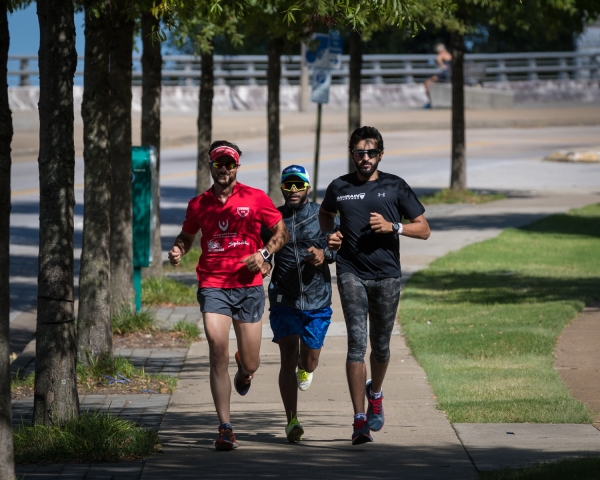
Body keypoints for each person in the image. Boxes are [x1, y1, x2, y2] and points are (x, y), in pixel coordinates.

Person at [168, 140, 289, 451]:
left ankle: (245, 370)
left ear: (238, 166)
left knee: (252, 362)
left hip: (248, 286)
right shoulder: (198, 204)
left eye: (229, 164)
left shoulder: (256, 198)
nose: (224, 169)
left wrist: (262, 254)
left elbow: (281, 233)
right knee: (216, 349)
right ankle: (225, 428)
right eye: (218, 164)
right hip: (213, 284)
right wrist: (179, 248)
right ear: (211, 166)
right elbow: (187, 234)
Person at [319, 126, 430, 445]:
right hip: (350, 271)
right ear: (351, 154)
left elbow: (423, 229)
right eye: (358, 152)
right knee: (356, 343)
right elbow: (325, 213)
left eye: (370, 152)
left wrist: (393, 227)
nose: (364, 158)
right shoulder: (339, 187)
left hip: (387, 275)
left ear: (380, 154)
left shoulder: (395, 186)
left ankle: (375, 393)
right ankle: (358, 421)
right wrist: (330, 237)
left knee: (380, 345)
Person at [261, 165, 338, 443]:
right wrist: (264, 263)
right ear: (282, 188)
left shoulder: (324, 216)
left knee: (309, 361)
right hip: (284, 298)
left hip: (317, 299)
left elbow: (344, 248)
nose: (293, 190)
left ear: (307, 188)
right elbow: (261, 250)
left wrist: (326, 254)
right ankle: (291, 420)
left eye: (298, 185)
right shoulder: (271, 219)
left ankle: (306, 368)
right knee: (288, 356)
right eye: (288, 185)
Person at [424, 43, 453, 108]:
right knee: (433, 79)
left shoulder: (441, 55)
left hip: (445, 76)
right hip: (450, 75)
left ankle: (430, 102)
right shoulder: (449, 54)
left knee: (427, 83)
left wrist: (442, 66)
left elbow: (438, 59)